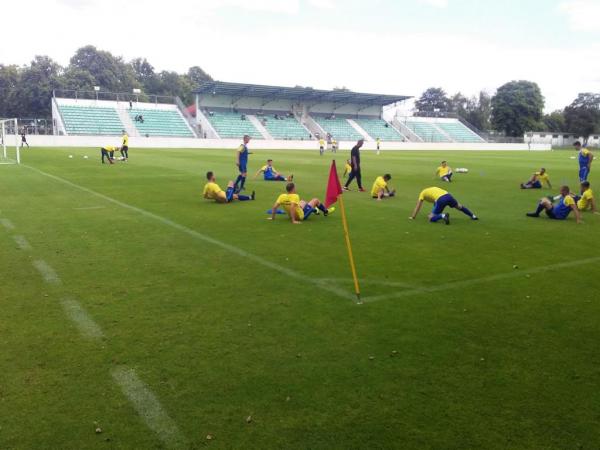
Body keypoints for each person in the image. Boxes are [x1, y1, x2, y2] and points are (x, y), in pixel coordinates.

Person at [268, 182, 334, 224]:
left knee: (302, 201)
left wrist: (272, 218)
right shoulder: (295, 196)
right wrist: (293, 221)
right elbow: (292, 207)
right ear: (293, 189)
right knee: (315, 200)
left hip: (291, 215)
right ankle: (325, 211)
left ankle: (315, 210)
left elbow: (274, 207)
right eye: (295, 188)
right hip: (300, 216)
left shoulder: (282, 196)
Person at [409, 187, 478, 224]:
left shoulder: (422, 194)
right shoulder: (432, 189)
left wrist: (413, 216)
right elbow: (435, 203)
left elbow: (418, 206)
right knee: (460, 207)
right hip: (448, 196)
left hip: (441, 199)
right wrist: (433, 212)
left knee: (430, 218)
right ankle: (473, 216)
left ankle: (443, 216)